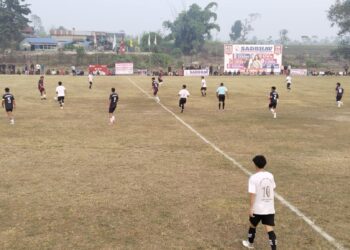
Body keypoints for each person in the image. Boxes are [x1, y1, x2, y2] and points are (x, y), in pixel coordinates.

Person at [242, 155, 277, 250]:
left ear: (255, 164)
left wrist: (251, 208)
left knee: (252, 226)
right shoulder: (270, 175)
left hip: (257, 208)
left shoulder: (253, 178)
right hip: (269, 207)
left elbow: (252, 194)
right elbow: (273, 187)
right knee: (269, 229)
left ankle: (250, 244)